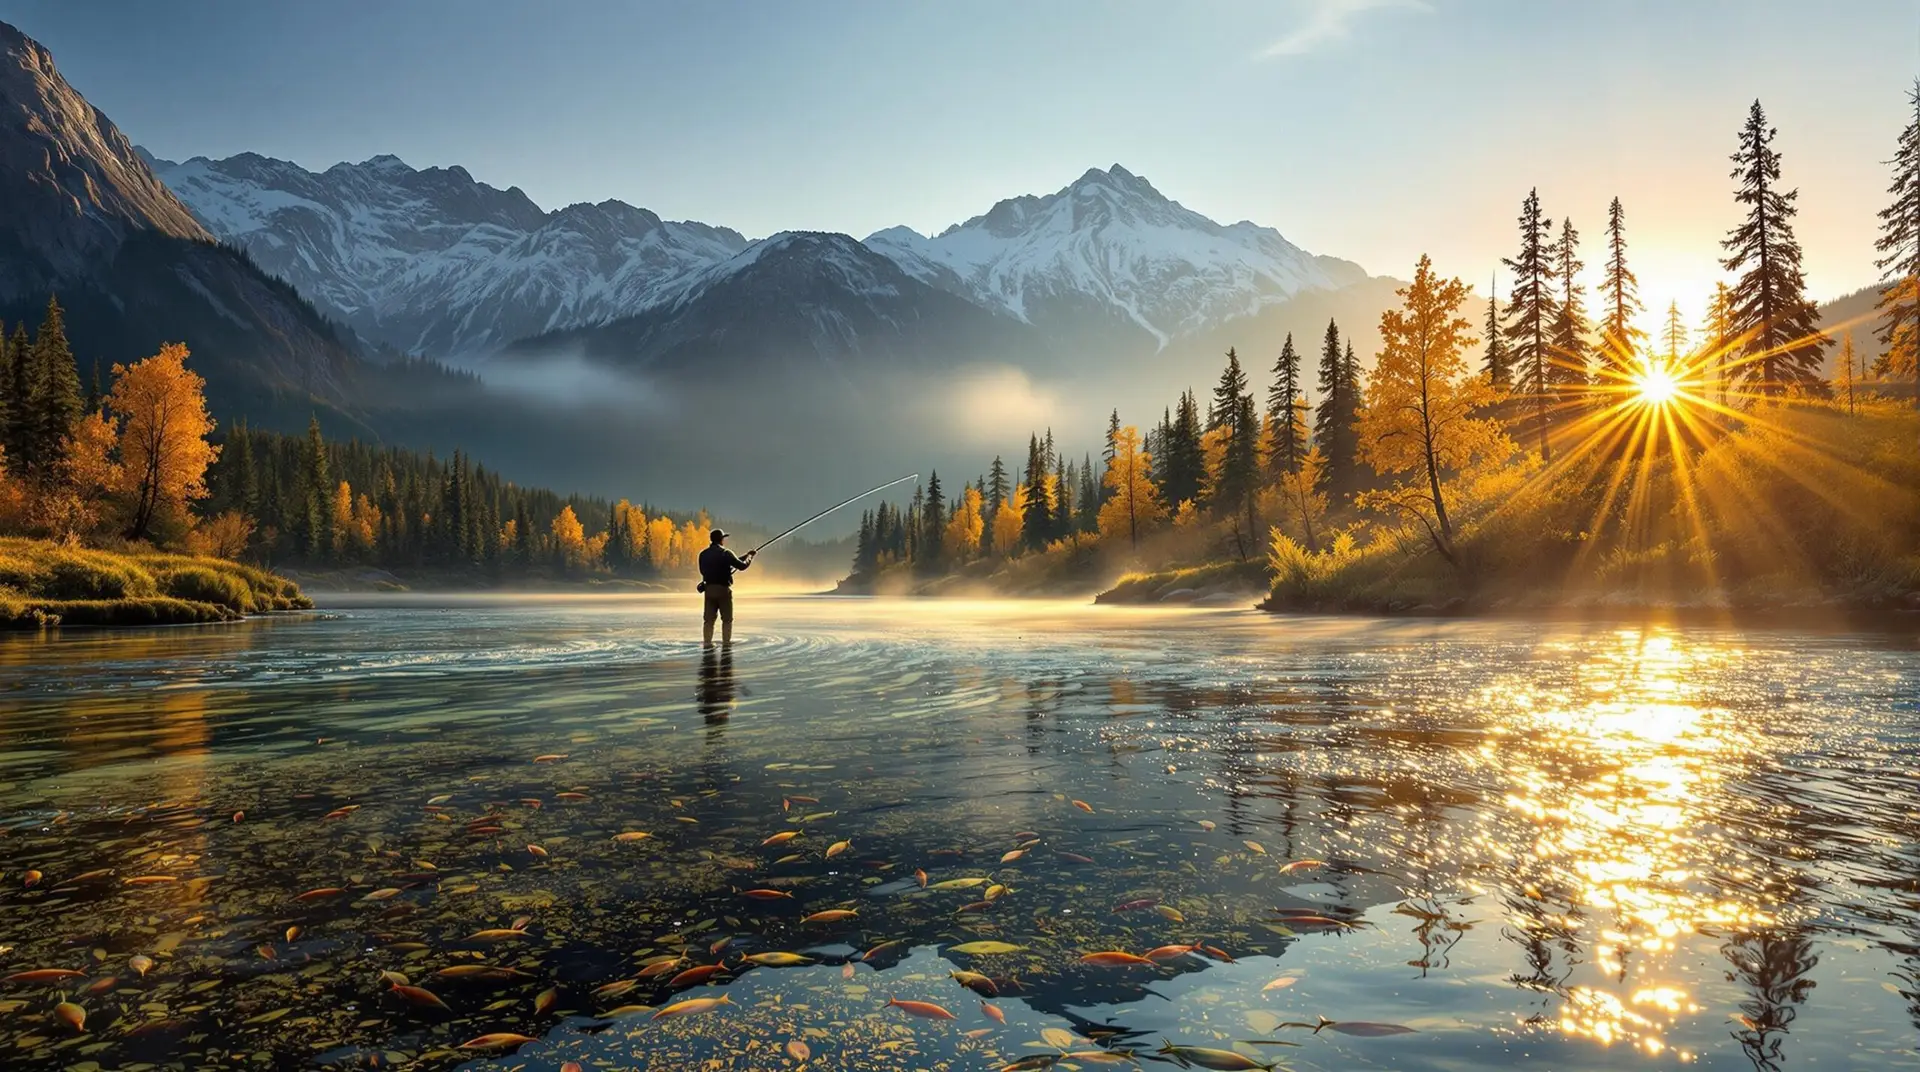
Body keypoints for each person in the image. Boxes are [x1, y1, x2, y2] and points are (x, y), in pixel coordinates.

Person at [697, 528, 755, 646]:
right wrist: (750, 557)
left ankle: (707, 643)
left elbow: (703, 571)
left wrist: (746, 555)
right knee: (727, 620)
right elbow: (742, 566)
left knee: (708, 620)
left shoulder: (703, 554)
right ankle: (726, 644)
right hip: (723, 590)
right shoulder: (726, 553)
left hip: (709, 590)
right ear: (721, 540)